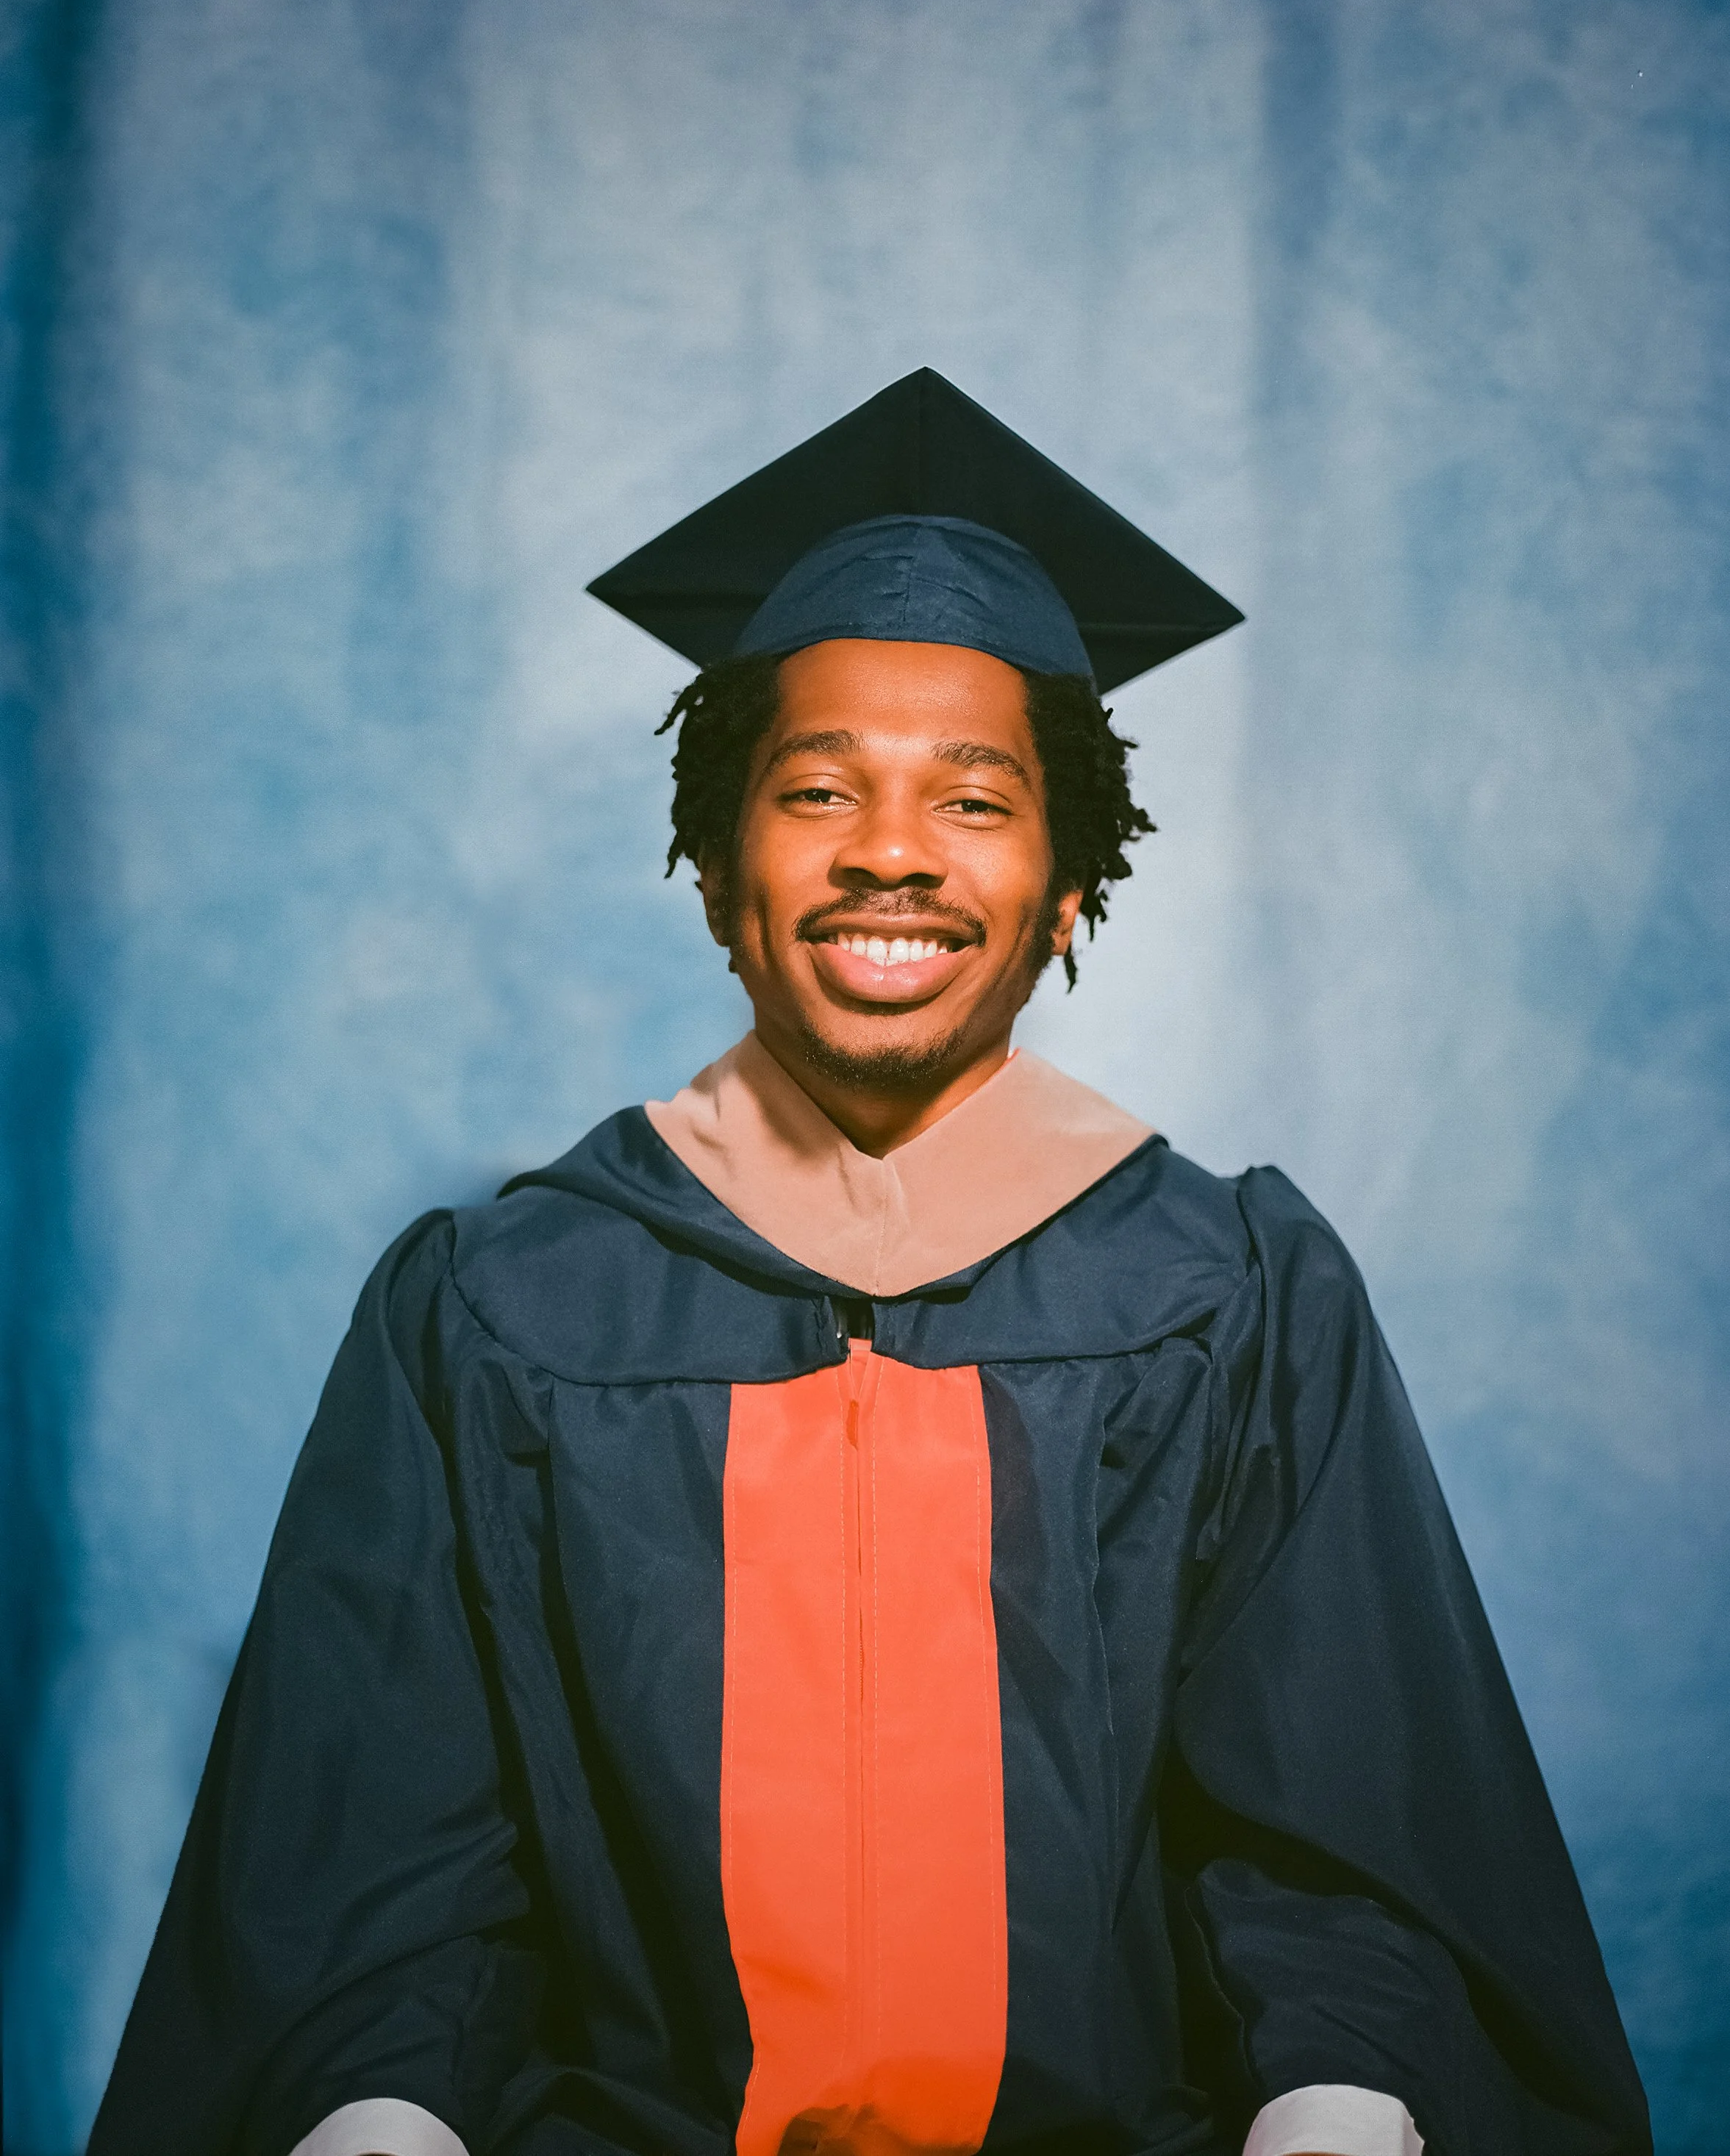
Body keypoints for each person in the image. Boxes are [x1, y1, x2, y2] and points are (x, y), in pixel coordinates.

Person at [91, 371, 1649, 2156]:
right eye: (817, 788)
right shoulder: (497, 1309)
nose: (890, 850)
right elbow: (373, 1896)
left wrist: (1341, 2106)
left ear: (1070, 886)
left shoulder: (1232, 1296)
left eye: (975, 802)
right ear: (712, 866)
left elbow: (1350, 1865)